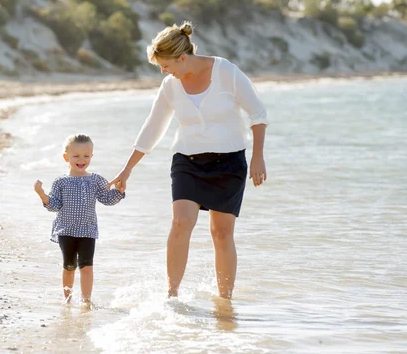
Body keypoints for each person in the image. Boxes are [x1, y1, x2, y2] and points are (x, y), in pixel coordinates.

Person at [108, 21, 268, 299]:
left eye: (165, 65)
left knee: (221, 233)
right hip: (187, 161)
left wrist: (258, 157)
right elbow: (153, 127)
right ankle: (172, 294)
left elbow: (258, 113)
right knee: (182, 222)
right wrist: (127, 169)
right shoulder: (171, 85)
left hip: (229, 163)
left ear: (182, 58)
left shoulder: (226, 72)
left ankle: (225, 301)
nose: (163, 71)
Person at [34, 134, 125, 305]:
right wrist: (41, 194)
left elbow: (107, 199)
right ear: (66, 157)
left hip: (88, 230)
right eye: (76, 156)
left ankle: (86, 301)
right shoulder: (61, 181)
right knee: (69, 266)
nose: (81, 160)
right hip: (66, 230)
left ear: (91, 156)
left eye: (86, 155)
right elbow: (54, 205)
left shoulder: (95, 180)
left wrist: (119, 192)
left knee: (87, 266)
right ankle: (67, 300)